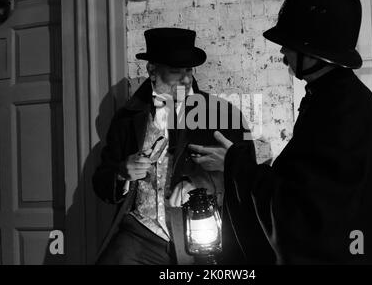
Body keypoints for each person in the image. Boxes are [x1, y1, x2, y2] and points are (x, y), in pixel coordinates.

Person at [189, 0, 372, 264]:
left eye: (289, 44)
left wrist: (235, 163)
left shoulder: (342, 111)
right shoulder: (334, 98)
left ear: (314, 51)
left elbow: (302, 217)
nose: (283, 53)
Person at [93, 27, 273, 264]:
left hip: (202, 238)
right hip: (141, 234)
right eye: (176, 71)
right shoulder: (127, 119)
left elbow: (248, 178)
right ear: (152, 71)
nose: (187, 79)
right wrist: (121, 174)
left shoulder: (223, 115)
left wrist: (199, 183)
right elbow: (101, 182)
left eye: (189, 70)